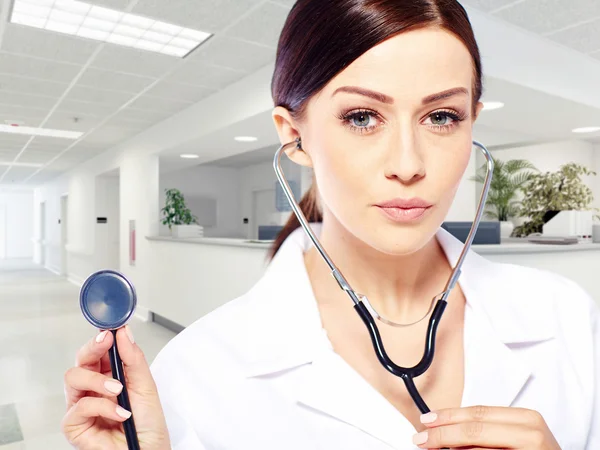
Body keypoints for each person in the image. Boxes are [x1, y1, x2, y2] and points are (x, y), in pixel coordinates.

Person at [61, 0, 599, 448]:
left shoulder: (569, 318)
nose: (409, 164)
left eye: (442, 117)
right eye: (362, 117)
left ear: (472, 123)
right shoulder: (197, 371)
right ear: (293, 136)